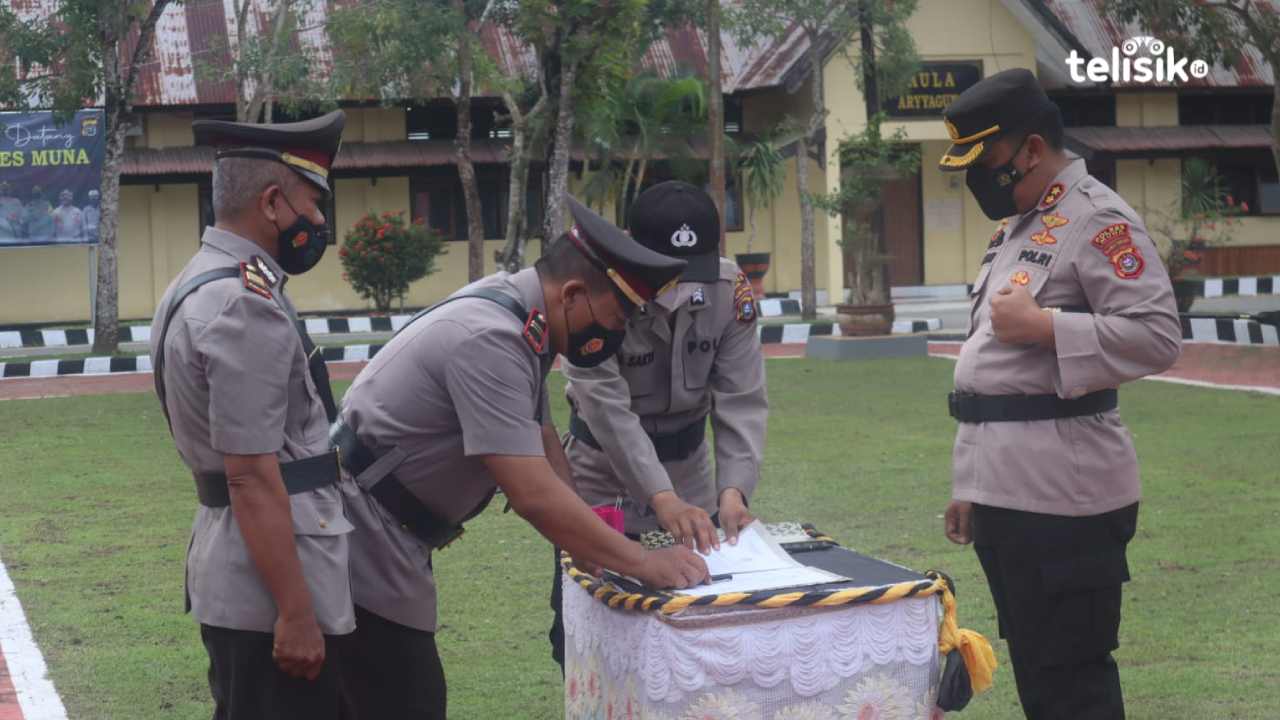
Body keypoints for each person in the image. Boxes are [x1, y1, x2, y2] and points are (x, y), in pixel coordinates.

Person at [330, 195, 710, 719]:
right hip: (361, 536)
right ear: (574, 293)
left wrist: (593, 539)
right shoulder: (490, 337)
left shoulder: (522, 315)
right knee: (406, 700)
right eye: (617, 316)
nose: (618, 334)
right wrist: (642, 561)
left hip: (383, 531)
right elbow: (531, 492)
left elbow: (543, 435)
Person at [937, 68, 1181, 720]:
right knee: (1042, 677)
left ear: (1033, 150)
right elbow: (996, 378)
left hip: (1066, 501)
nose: (977, 180)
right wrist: (972, 484)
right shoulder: (1018, 224)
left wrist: (1048, 327)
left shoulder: (1098, 219)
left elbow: (1157, 335)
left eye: (985, 162)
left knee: (1072, 683)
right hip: (1009, 491)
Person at [149, 110, 352, 720]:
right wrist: (295, 612)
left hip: (242, 564)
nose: (317, 220)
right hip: (270, 584)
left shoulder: (197, 281)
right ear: (272, 202)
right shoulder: (242, 303)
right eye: (312, 203)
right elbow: (251, 475)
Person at [548, 181, 768, 669]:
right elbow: (605, 406)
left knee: (694, 626)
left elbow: (741, 398)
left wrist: (734, 491)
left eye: (690, 272)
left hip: (691, 477)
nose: (679, 287)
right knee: (589, 625)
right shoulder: (591, 295)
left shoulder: (727, 290)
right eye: (664, 273)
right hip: (601, 478)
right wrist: (658, 495)